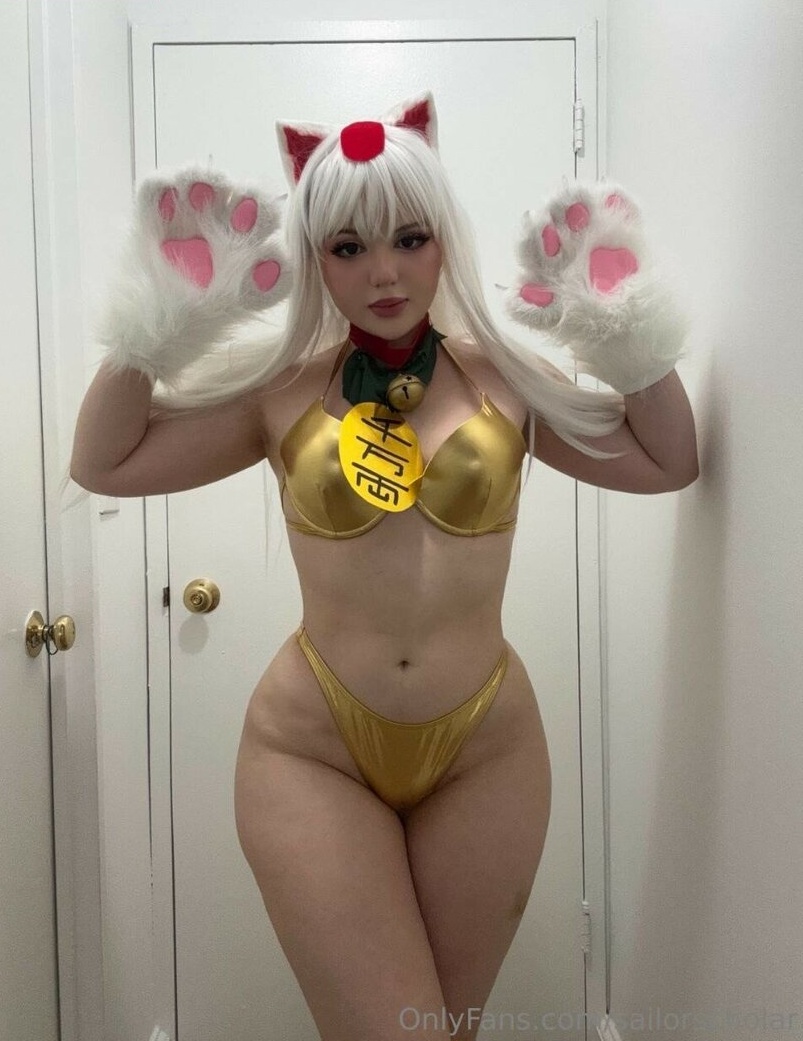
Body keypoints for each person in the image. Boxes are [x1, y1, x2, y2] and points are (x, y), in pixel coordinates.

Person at [71, 93, 698, 1041]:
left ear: (445, 239)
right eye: (347, 246)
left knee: (445, 1026)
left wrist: (624, 330)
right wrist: (160, 323)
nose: (383, 272)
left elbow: (666, 461)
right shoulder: (280, 390)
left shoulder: (504, 379)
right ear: (314, 258)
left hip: (486, 749)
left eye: (409, 238)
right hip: (312, 747)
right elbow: (104, 462)